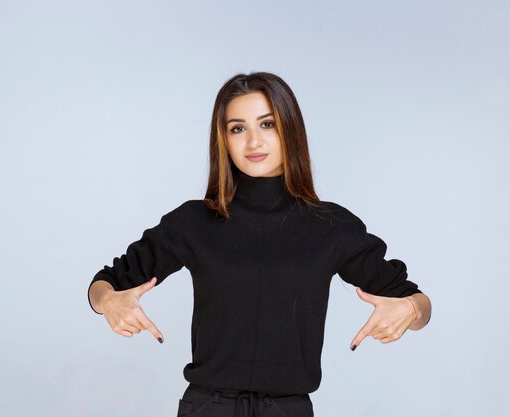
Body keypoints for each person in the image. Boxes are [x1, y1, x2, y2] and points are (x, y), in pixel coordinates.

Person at [87, 71, 432, 417]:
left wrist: (412, 310)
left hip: (288, 409)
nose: (253, 142)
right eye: (238, 128)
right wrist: (107, 302)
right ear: (223, 140)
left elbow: (415, 301)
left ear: (289, 130)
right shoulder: (193, 222)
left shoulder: (331, 227)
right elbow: (105, 284)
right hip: (207, 407)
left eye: (267, 125)